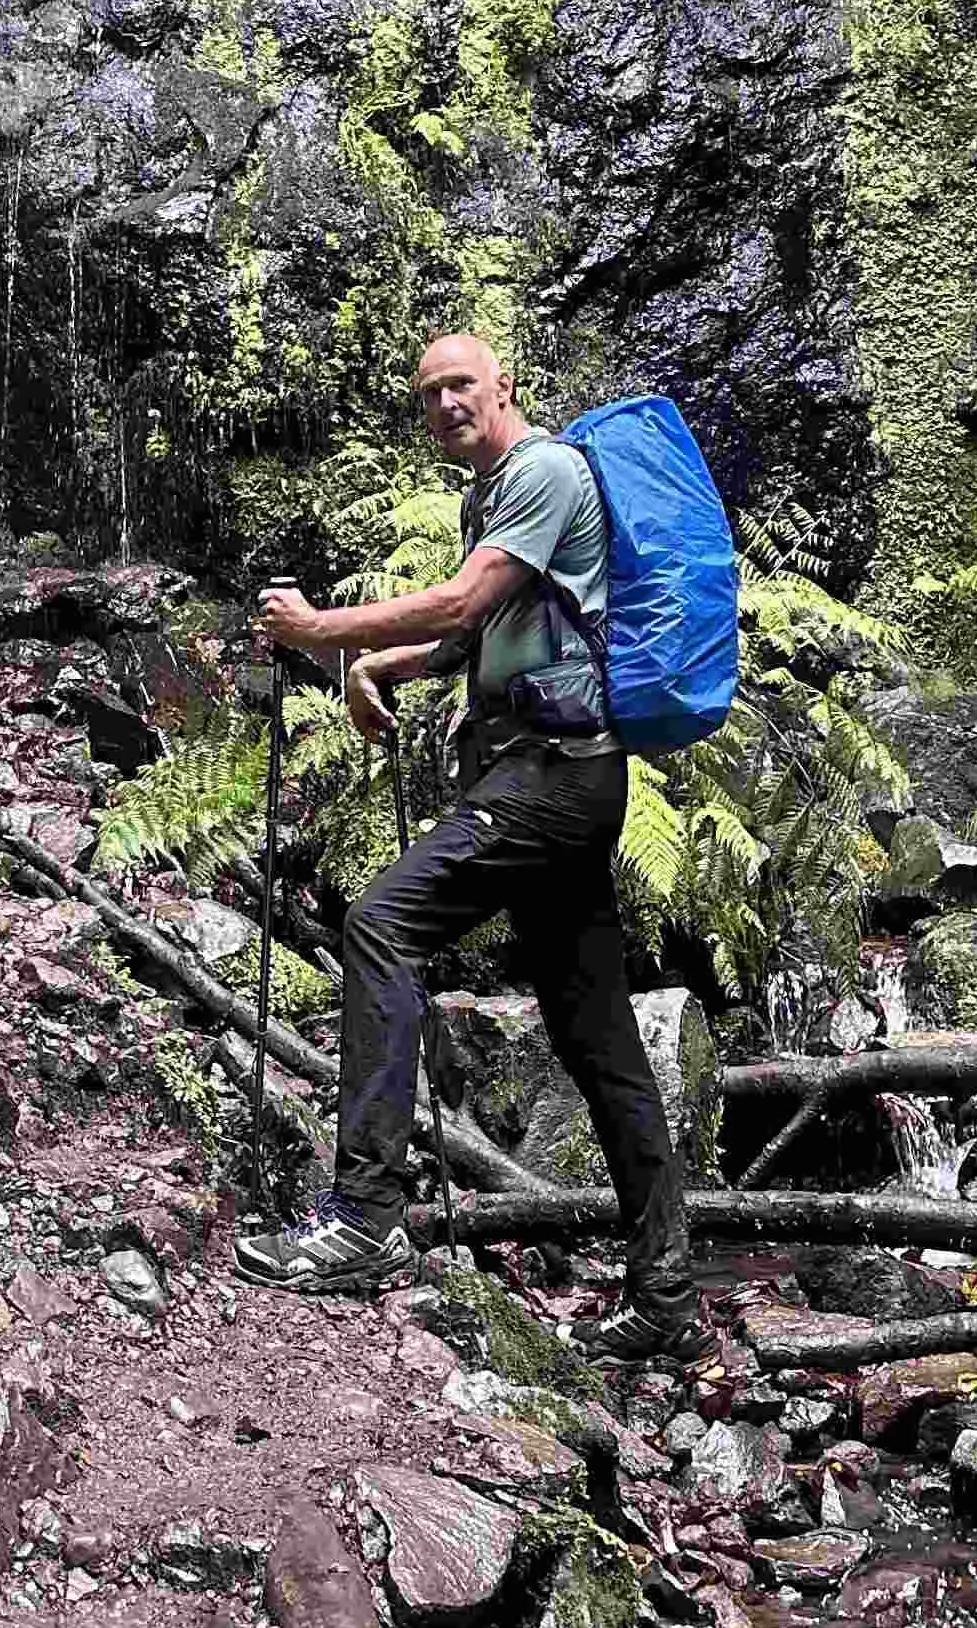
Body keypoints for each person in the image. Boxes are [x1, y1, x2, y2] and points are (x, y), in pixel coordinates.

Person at [234, 330, 700, 1357]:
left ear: (505, 388)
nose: (445, 402)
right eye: (429, 391)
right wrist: (381, 669)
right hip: (562, 780)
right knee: (596, 1038)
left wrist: (322, 631)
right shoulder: (492, 495)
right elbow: (466, 636)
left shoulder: (540, 471)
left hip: (550, 780)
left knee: (382, 924)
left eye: (461, 385)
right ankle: (668, 1303)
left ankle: (364, 1220)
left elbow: (465, 598)